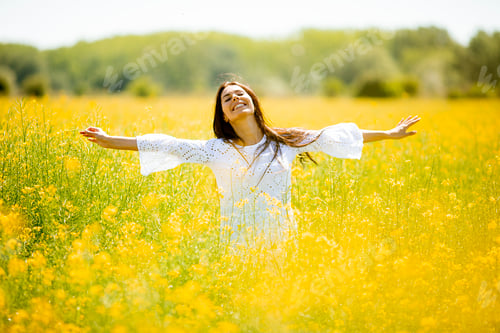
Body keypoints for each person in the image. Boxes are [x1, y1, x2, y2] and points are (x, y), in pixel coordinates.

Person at [80, 80, 420, 249]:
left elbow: (338, 136)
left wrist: (390, 134)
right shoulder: (215, 150)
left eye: (241, 94)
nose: (235, 99)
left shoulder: (284, 140)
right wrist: (110, 140)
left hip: (282, 240)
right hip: (237, 243)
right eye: (227, 99)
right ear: (225, 116)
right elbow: (168, 144)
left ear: (253, 103)